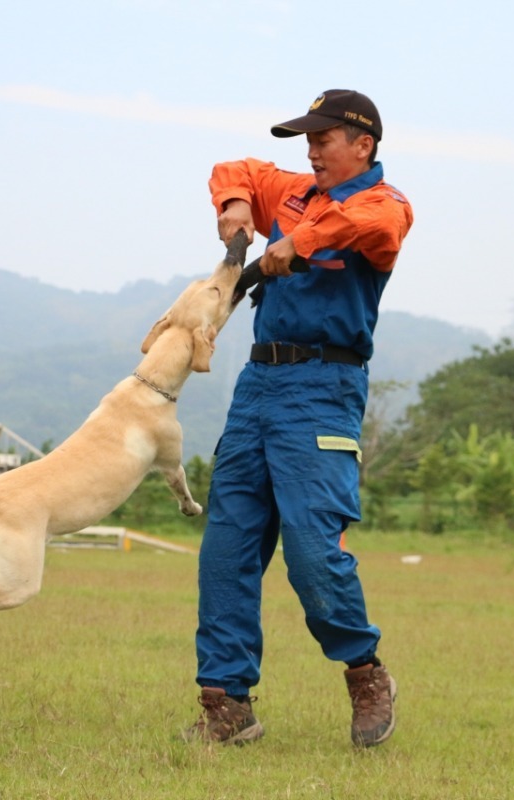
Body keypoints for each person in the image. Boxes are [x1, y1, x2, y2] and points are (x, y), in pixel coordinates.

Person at [183, 89, 414, 747]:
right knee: (227, 548)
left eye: (323, 140)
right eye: (306, 141)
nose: (310, 152)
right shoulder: (291, 192)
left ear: (362, 144)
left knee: (314, 552)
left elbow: (379, 227)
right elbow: (239, 171)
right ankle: (226, 705)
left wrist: (299, 244)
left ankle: (365, 673)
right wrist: (234, 215)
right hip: (257, 386)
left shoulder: (384, 202)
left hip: (323, 387)